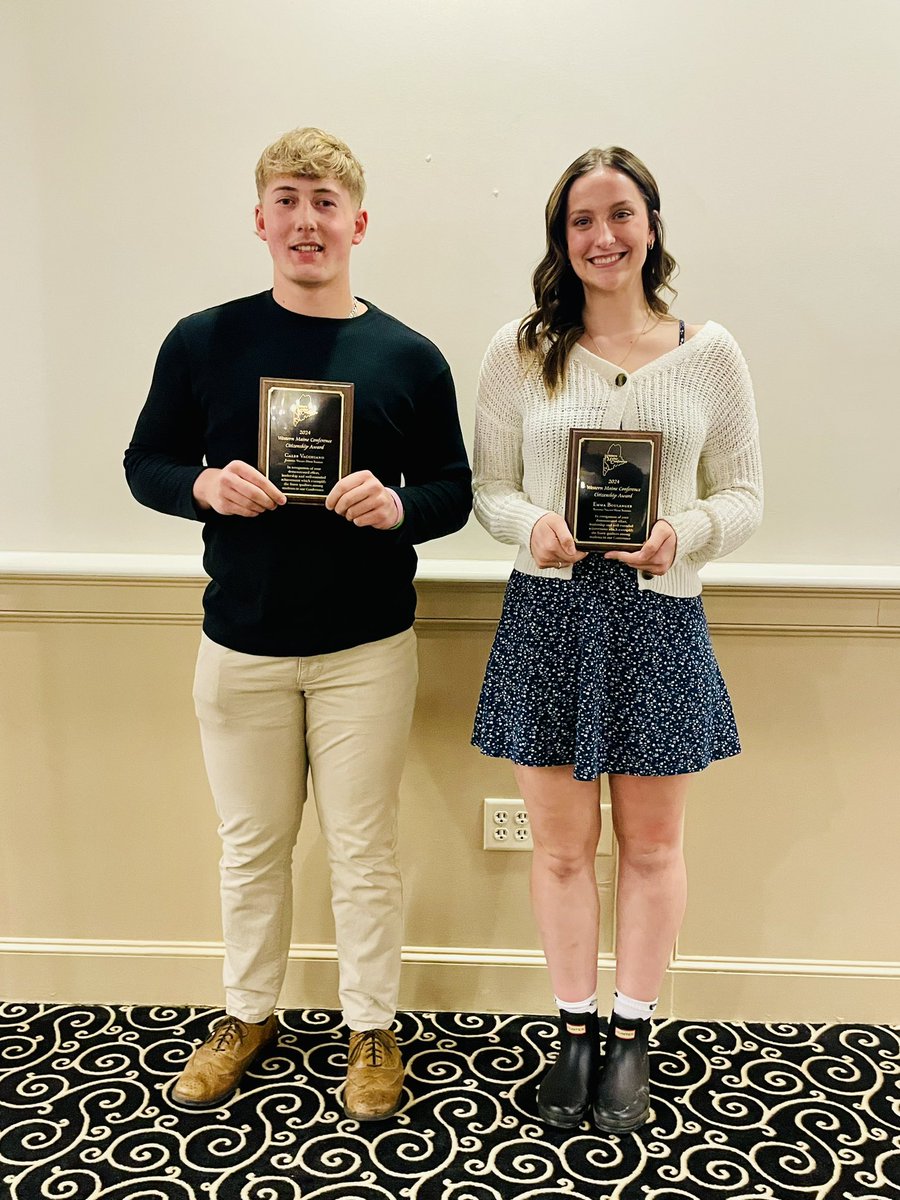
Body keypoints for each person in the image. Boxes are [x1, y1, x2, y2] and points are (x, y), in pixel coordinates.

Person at [124, 126, 471, 1121]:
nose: (305, 218)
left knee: (365, 850)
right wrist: (203, 486)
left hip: (368, 648)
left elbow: (453, 488)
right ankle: (246, 1014)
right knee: (249, 847)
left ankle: (372, 1027)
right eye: (287, 198)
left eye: (325, 200)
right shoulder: (202, 341)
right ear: (260, 220)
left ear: (357, 222)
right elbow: (145, 463)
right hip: (239, 643)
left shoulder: (409, 355)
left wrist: (400, 505)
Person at [471, 146, 762, 1133]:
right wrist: (529, 527)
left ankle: (632, 1032)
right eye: (581, 221)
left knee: (652, 845)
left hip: (660, 617)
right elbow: (489, 489)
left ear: (652, 224)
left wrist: (691, 531)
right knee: (560, 852)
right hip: (548, 616)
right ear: (561, 239)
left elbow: (747, 496)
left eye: (620, 214)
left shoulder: (709, 352)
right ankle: (574, 1031)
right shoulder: (519, 350)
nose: (603, 237)